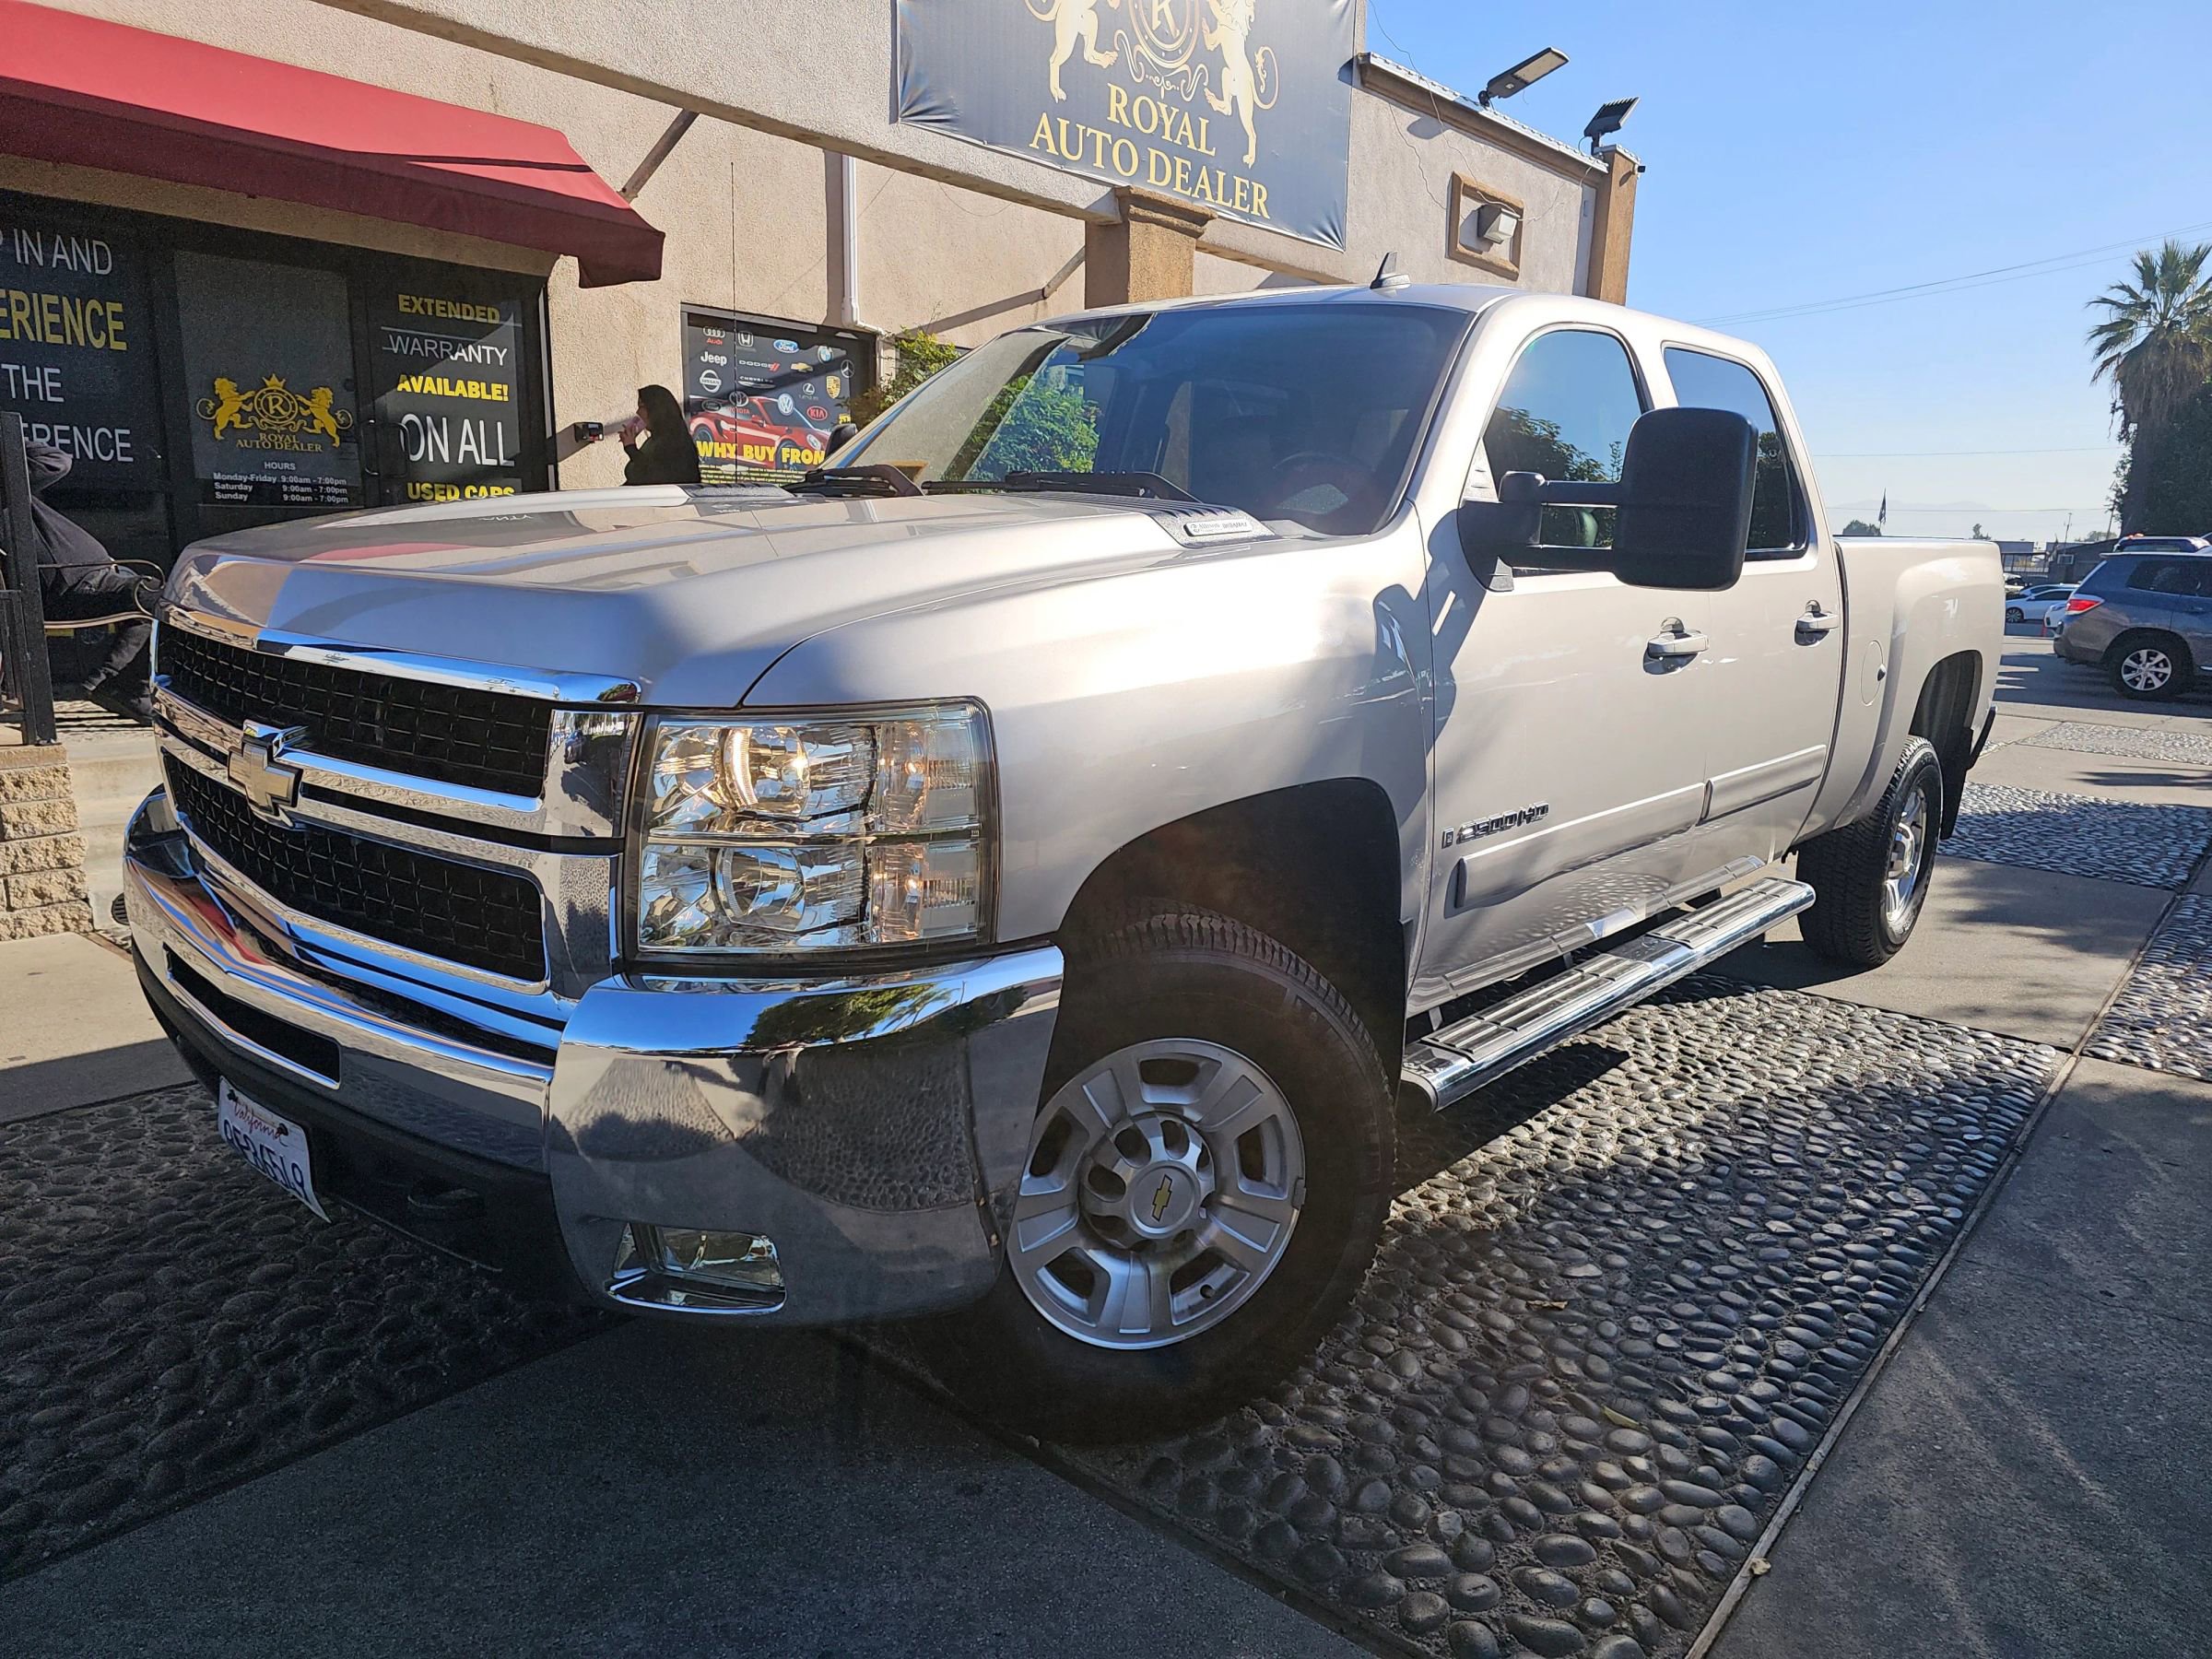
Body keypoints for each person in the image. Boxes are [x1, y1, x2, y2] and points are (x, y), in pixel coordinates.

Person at [23, 440, 157, 723]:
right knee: (158, 598)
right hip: (78, 586)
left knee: (152, 602)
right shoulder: (5, 488)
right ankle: (121, 687)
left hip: (100, 576)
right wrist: (9, 437)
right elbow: (55, 460)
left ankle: (114, 683)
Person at [620, 384, 702, 486]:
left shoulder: (674, 443)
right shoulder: (653, 441)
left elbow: (652, 476)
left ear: (655, 409)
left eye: (641, 407)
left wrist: (631, 449)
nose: (638, 412)